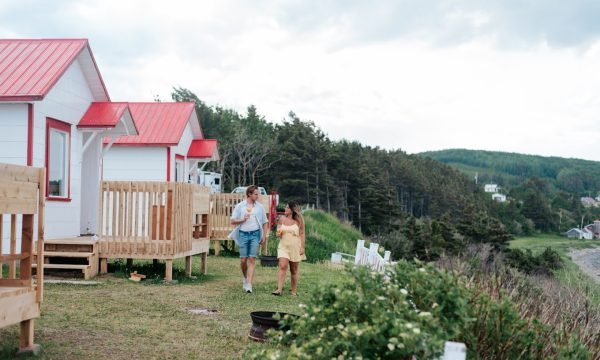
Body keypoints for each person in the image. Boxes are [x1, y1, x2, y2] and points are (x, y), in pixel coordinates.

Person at [230, 185, 269, 293]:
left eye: (258, 194)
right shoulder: (240, 206)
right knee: (243, 260)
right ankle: (245, 278)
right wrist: (242, 219)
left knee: (252, 259)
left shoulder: (260, 207)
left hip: (255, 234)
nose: (258, 196)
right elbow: (232, 221)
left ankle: (249, 284)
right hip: (243, 234)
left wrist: (264, 235)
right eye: (256, 194)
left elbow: (265, 222)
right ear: (249, 194)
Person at [272, 201, 306, 296]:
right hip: (283, 246)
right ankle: (279, 289)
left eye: (287, 208)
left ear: (292, 210)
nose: (285, 209)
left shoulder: (299, 221)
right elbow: (278, 232)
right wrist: (278, 233)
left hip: (295, 247)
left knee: (294, 270)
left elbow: (302, 234)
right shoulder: (281, 219)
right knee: (283, 266)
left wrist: (302, 247)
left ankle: (294, 291)